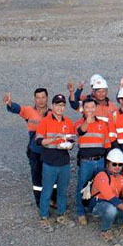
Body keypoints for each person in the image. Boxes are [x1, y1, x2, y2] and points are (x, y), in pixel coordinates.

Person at [4, 88, 50, 208]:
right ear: (34, 99)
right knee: (37, 178)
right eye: (38, 98)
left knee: (51, 177)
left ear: (47, 98)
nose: (40, 100)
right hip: (34, 151)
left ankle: (53, 199)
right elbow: (18, 109)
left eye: (43, 97)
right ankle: (40, 203)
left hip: (50, 151)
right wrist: (10, 103)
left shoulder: (52, 113)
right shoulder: (29, 111)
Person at [36, 93, 75, 228]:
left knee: (62, 191)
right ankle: (44, 216)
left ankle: (61, 214)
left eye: (62, 105)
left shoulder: (68, 122)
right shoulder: (44, 122)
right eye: (57, 105)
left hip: (64, 162)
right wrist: (54, 139)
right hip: (50, 162)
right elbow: (39, 141)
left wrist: (70, 145)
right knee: (47, 190)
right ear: (52, 106)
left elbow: (71, 140)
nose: (60, 108)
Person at [90, 148, 123, 244]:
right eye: (114, 164)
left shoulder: (121, 176)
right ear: (108, 164)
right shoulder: (102, 176)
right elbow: (112, 198)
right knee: (111, 209)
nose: (117, 167)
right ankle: (105, 230)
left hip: (115, 203)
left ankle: (111, 219)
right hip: (100, 204)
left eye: (120, 164)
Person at [74, 96, 113, 226]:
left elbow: (107, 143)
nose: (90, 110)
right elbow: (80, 132)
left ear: (96, 108)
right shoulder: (79, 122)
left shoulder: (102, 124)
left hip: (100, 160)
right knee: (82, 186)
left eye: (92, 107)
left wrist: (108, 161)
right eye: (87, 107)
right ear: (83, 109)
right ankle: (81, 212)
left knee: (99, 186)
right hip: (86, 162)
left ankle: (94, 208)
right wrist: (87, 121)